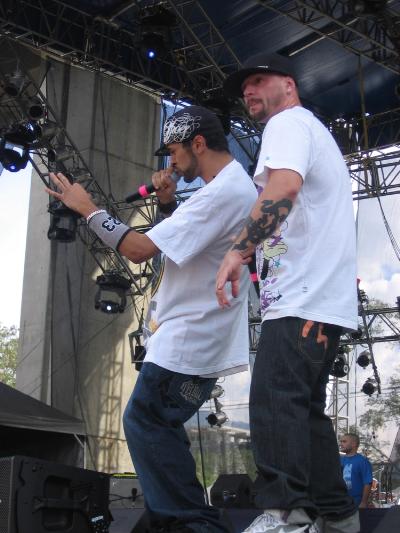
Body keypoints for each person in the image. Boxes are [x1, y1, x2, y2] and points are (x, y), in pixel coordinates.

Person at [46, 105, 258, 533]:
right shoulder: (226, 189)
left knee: (145, 420)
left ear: (199, 144)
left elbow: (139, 250)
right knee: (158, 422)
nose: (171, 162)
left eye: (175, 151)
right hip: (195, 335)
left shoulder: (222, 193)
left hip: (191, 334)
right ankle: (183, 520)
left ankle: (191, 523)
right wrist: (165, 203)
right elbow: (181, 246)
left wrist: (88, 209)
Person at [216, 53, 359, 533]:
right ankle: (338, 518)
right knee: (305, 413)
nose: (249, 91)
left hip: (304, 296)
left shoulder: (288, 124)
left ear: (289, 85)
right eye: (245, 88)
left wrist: (238, 251)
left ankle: (285, 516)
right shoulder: (311, 130)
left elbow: (283, 187)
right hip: (318, 299)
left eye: (258, 81)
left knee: (275, 397)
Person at [339, 433, 373, 508]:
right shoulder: (340, 460)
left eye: (344, 441)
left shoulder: (362, 461)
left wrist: (363, 502)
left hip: (356, 502)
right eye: (340, 441)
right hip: (341, 502)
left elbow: (368, 483)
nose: (341, 444)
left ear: (353, 444)